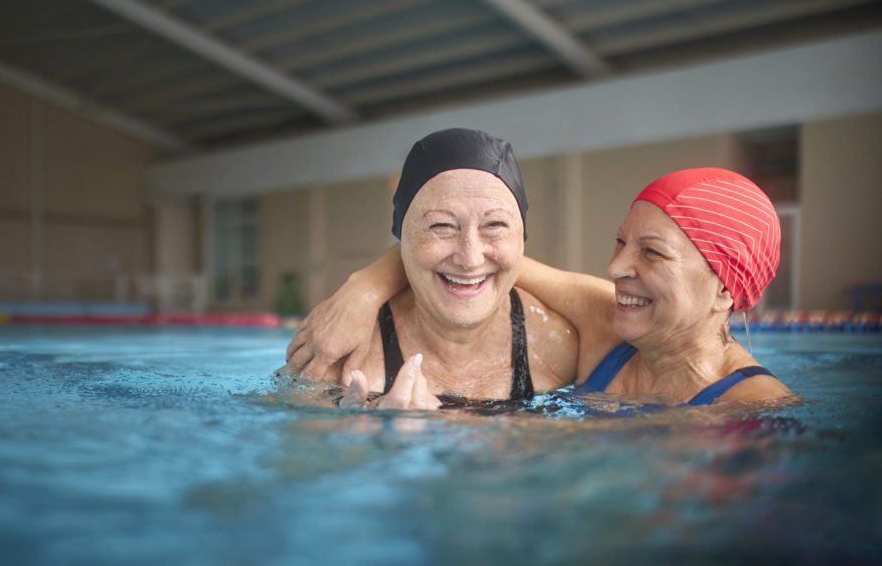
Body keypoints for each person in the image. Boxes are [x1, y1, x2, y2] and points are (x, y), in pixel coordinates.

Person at [287, 167, 795, 406]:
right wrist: (363, 288)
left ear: (727, 289)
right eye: (621, 242)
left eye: (652, 252)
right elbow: (489, 262)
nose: (616, 268)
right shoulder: (606, 323)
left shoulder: (757, 407)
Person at [292, 128, 579, 410]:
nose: (470, 259)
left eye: (494, 226)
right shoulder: (343, 352)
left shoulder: (558, 349)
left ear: (521, 238)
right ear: (402, 239)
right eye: (441, 226)